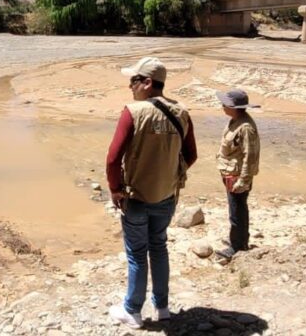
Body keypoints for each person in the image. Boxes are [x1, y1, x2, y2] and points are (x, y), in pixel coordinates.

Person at [106, 57, 197, 329]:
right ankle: (163, 307)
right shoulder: (181, 112)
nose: (130, 86)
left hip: (136, 197)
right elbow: (191, 155)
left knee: (136, 254)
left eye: (133, 81)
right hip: (166, 198)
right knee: (158, 248)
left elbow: (112, 159)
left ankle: (132, 311)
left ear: (147, 83)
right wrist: (169, 173)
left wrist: (115, 189)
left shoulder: (133, 112)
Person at [214, 89, 260, 262]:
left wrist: (244, 180)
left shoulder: (246, 127)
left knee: (237, 211)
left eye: (225, 104)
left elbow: (251, 156)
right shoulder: (235, 121)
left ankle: (238, 246)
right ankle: (238, 239)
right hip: (230, 173)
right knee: (236, 209)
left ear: (234, 107)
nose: (222, 106)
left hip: (237, 176)